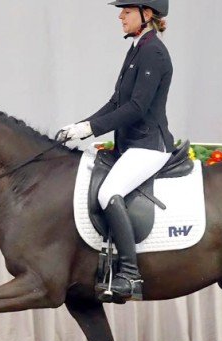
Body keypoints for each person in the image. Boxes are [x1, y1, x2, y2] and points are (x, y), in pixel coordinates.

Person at [57, 0, 174, 302]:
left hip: (149, 146)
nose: (120, 15)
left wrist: (91, 129)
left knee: (108, 192)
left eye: (127, 10)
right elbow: (115, 103)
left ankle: (130, 274)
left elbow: (136, 108)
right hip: (130, 145)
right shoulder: (136, 49)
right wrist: (81, 125)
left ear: (146, 14)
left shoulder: (153, 52)